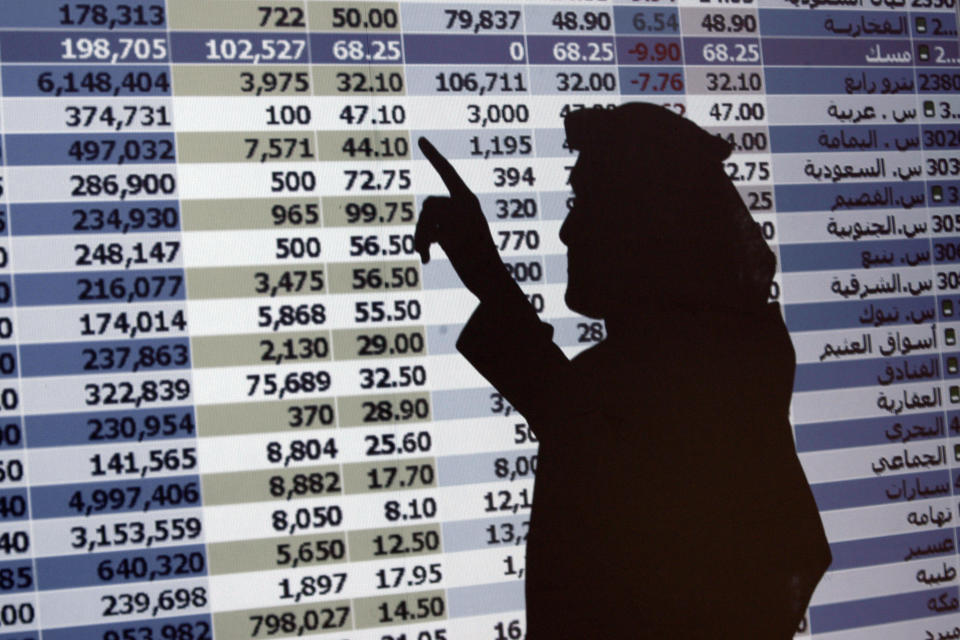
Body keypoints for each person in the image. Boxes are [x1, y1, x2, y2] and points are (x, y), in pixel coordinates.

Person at [415, 102, 831, 638]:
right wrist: (488, 276)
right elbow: (585, 421)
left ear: (647, 224)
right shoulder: (726, 359)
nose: (566, 231)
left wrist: (488, 276)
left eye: (585, 202)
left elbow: (588, 423)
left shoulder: (688, 382)